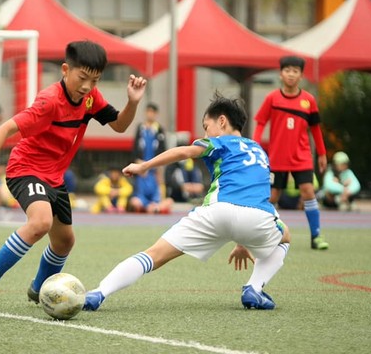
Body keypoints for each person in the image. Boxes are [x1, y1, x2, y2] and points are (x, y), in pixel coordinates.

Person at [0, 40, 147, 310]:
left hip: (54, 178)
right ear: (65, 70)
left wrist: (132, 102)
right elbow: (4, 129)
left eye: (94, 80)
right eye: (82, 77)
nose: (87, 86)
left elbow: (119, 125)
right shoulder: (49, 101)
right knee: (40, 222)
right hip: (25, 169)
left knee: (65, 241)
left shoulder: (90, 98)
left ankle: (39, 289)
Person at [83, 93, 291, 312]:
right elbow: (253, 195)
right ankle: (254, 288)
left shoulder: (218, 142)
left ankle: (99, 292)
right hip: (259, 217)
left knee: (154, 255)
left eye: (206, 127)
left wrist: (144, 166)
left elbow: (183, 151)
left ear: (222, 121)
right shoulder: (259, 151)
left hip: (217, 212)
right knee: (285, 237)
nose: (205, 133)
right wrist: (242, 240)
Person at [253, 55, 329, 250]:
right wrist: (255, 147)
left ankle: (316, 236)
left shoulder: (308, 100)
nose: (291, 74)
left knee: (308, 192)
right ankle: (265, 236)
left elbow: (315, 129)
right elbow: (260, 123)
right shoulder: (272, 98)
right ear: (280, 74)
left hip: (301, 157)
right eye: (287, 70)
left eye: (295, 71)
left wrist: (322, 154)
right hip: (276, 157)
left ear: (301, 75)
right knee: (272, 197)